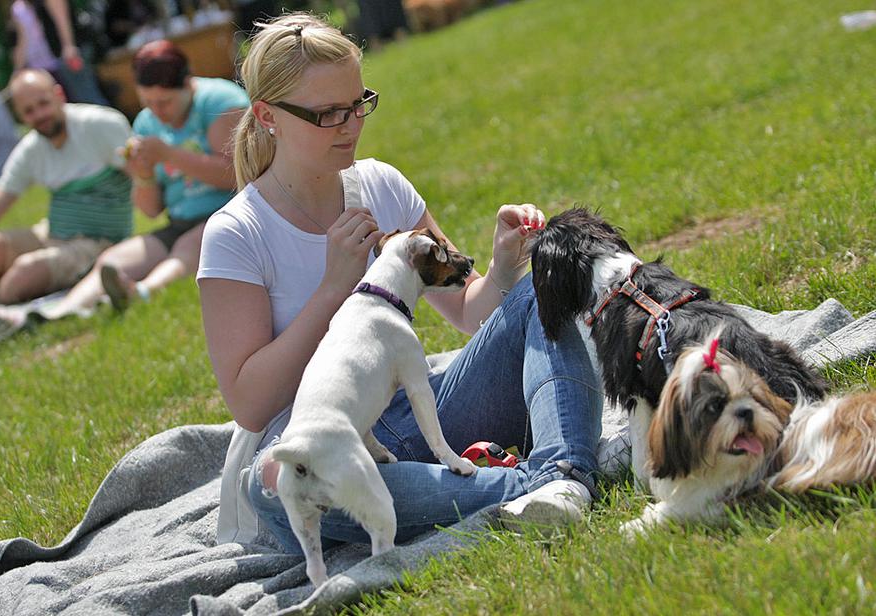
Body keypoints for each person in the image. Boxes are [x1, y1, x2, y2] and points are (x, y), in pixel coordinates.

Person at [196, 13, 603, 552]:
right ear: (267, 116)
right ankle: (541, 485)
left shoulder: (381, 184)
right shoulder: (236, 233)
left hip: (420, 413)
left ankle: (562, 477)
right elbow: (249, 403)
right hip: (317, 440)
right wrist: (334, 289)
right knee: (277, 484)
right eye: (326, 114)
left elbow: (468, 314)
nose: (351, 125)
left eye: (358, 103)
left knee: (539, 290)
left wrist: (505, 268)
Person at [0, 39, 247, 332]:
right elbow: (150, 209)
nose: (157, 112)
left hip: (232, 213)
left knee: (187, 246)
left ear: (187, 83)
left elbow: (235, 174)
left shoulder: (220, 102)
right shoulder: (146, 123)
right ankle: (55, 317)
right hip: (180, 220)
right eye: (148, 103)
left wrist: (170, 155)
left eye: (165, 102)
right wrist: (143, 174)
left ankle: (142, 291)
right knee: (111, 261)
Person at [0, 69, 132, 310]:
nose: (39, 115)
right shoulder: (31, 149)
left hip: (101, 243)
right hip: (51, 235)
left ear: (59, 94)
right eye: (28, 111)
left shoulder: (100, 125)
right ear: (19, 115)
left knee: (23, 273)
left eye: (43, 103)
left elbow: (144, 177)